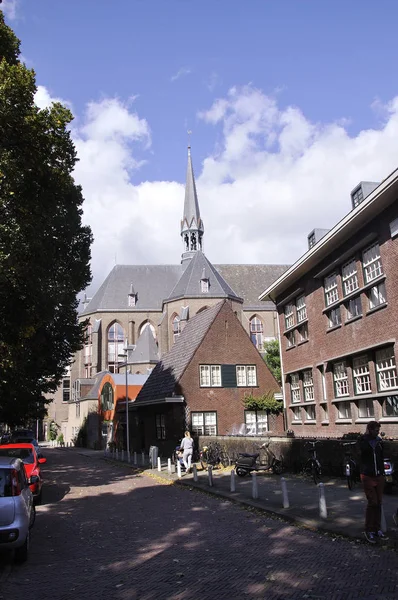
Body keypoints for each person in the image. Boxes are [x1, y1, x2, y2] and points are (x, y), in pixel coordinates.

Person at [359, 421, 387, 543]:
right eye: (376, 430)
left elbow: (381, 457)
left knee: (379, 502)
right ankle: (369, 530)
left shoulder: (379, 442)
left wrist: (382, 472)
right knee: (373, 502)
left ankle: (377, 529)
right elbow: (360, 455)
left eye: (378, 430)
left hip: (379, 475)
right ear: (370, 430)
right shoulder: (363, 441)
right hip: (368, 475)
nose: (378, 432)